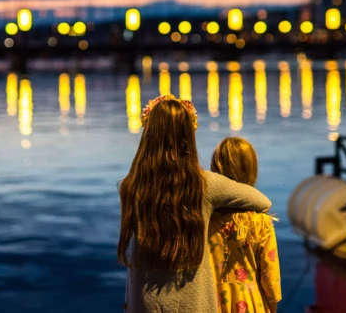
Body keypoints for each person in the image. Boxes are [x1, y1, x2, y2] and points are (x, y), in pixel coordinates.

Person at [118, 95, 272, 312]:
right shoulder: (205, 185)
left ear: (148, 135)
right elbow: (262, 202)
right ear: (187, 137)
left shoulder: (130, 186)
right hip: (193, 305)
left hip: (143, 303)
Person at [208, 137, 281, 313]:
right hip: (250, 304)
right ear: (251, 170)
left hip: (208, 302)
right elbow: (270, 281)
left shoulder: (204, 221)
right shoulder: (261, 223)